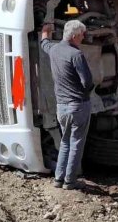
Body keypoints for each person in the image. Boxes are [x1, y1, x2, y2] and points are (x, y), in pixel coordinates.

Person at [40, 21, 94, 190]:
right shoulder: (76, 55)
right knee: (76, 143)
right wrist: (86, 94)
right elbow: (88, 82)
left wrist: (45, 31)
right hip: (78, 106)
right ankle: (70, 181)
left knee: (65, 142)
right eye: (81, 34)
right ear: (74, 36)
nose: (83, 37)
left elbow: (44, 43)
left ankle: (58, 179)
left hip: (61, 107)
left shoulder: (54, 49)